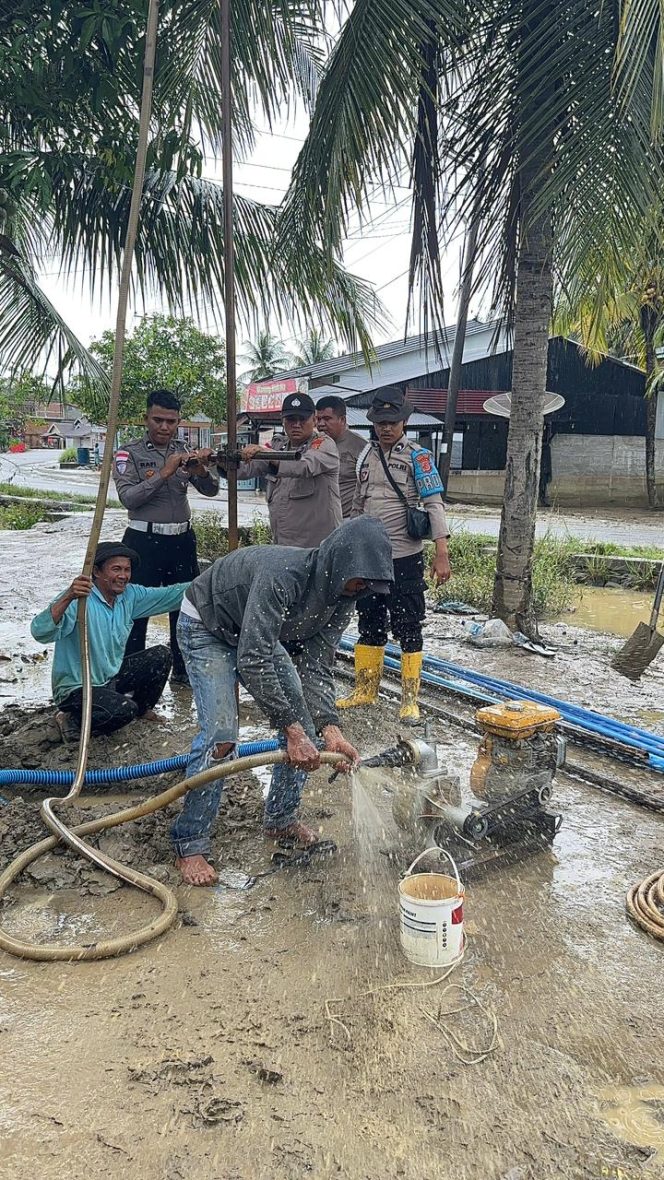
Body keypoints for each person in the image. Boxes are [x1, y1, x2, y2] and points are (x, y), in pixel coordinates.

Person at [172, 516, 393, 886]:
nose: (363, 589)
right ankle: (190, 842)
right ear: (340, 563)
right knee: (222, 738)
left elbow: (317, 665)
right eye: (361, 579)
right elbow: (252, 659)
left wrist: (330, 730)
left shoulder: (343, 597)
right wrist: (289, 728)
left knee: (305, 730)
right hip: (208, 626)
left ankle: (280, 818)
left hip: (256, 633)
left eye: (369, 584)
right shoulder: (283, 575)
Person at [337, 387, 452, 723]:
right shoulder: (366, 456)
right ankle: (365, 690)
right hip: (369, 556)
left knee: (409, 625)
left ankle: (410, 699)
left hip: (404, 556)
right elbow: (357, 505)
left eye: (392, 421)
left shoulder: (419, 457)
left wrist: (441, 552)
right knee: (369, 620)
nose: (385, 428)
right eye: (380, 422)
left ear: (404, 421)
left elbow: (434, 505)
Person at [112, 389, 219, 685]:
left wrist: (201, 472)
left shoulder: (184, 449)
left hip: (181, 540)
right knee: (136, 609)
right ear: (145, 418)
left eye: (171, 421)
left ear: (178, 421)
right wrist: (164, 473)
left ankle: (182, 673)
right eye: (158, 420)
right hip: (142, 541)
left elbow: (212, 491)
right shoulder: (129, 453)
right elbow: (129, 498)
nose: (164, 427)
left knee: (185, 606)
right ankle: (133, 678)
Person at [30, 542, 190, 737]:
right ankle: (71, 718)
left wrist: (210, 581)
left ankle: (142, 708)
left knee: (161, 655)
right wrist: (68, 596)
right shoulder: (79, 600)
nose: (123, 576)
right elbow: (39, 632)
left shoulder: (129, 595)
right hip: (77, 688)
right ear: (96, 571)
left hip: (109, 678)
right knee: (123, 710)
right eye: (116, 569)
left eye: (127, 570)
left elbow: (170, 596)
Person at [237, 392, 341, 547]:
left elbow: (304, 465)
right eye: (291, 419)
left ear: (314, 420)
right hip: (284, 545)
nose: (297, 424)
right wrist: (218, 461)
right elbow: (246, 469)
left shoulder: (323, 444)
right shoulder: (278, 445)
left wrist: (269, 454)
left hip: (318, 548)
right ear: (283, 421)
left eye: (302, 419)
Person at [316, 395, 367, 518]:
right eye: (318, 419)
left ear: (342, 420)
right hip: (317, 519)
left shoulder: (361, 447)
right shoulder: (313, 444)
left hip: (347, 520)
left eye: (327, 419)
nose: (321, 424)